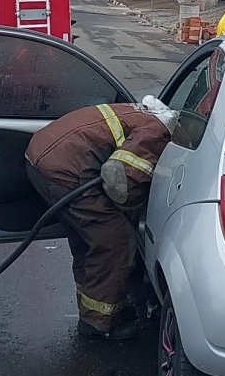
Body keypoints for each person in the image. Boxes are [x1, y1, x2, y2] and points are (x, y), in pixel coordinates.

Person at [24, 97, 178, 341]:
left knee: (87, 240)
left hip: (40, 156)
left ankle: (93, 305)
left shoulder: (138, 113)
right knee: (115, 242)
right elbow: (119, 179)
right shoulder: (158, 132)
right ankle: (98, 323)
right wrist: (135, 206)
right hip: (65, 170)